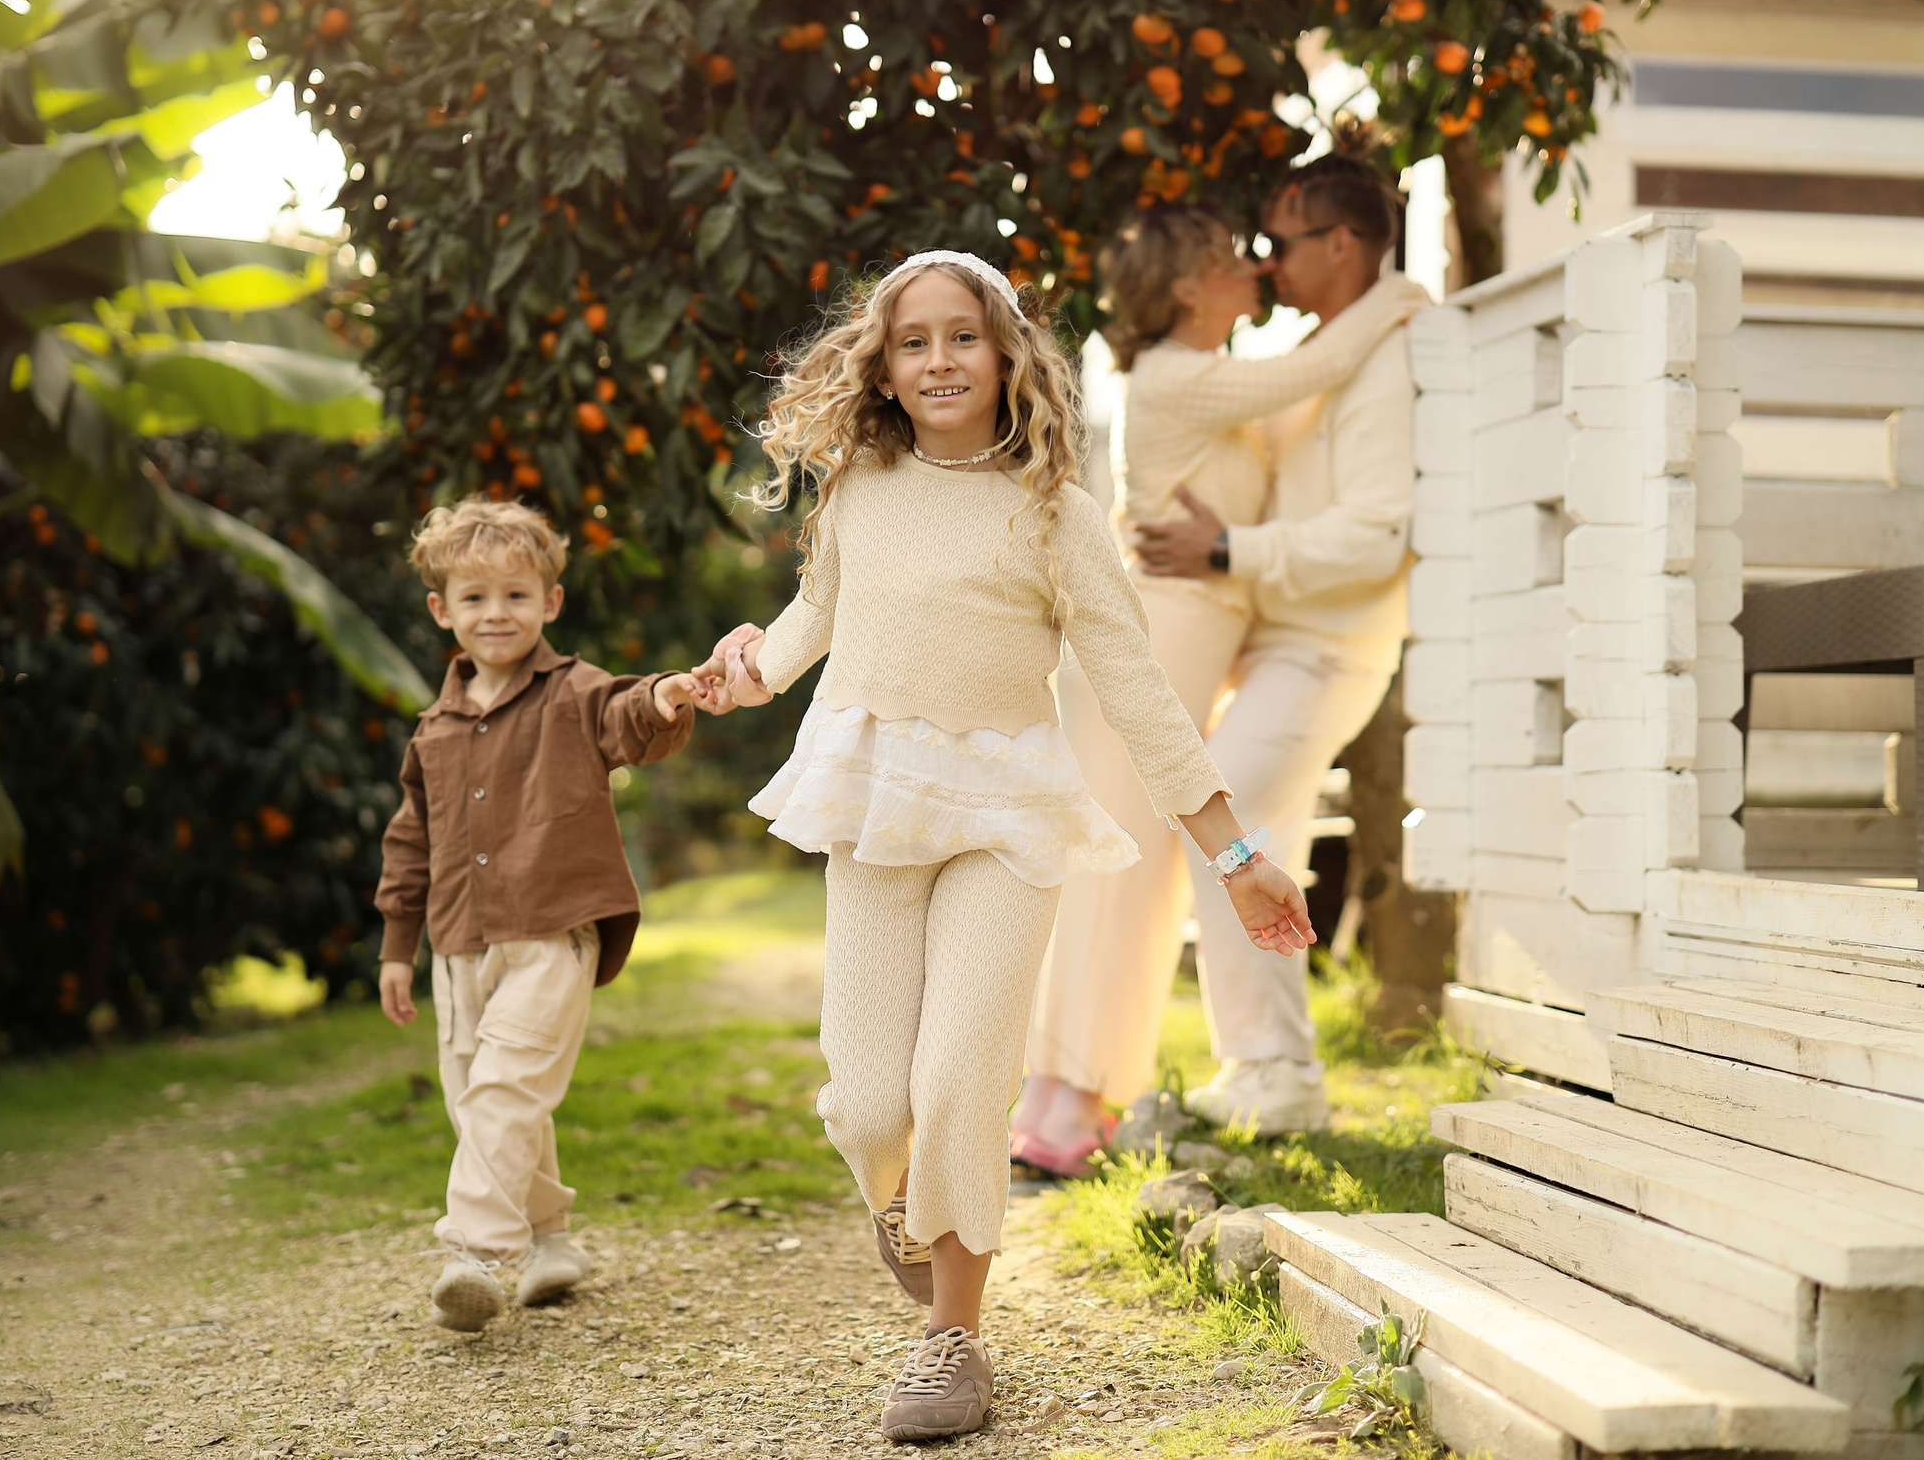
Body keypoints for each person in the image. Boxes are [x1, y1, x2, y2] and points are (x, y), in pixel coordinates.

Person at [693, 250, 1313, 1443]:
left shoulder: (1056, 512)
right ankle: (903, 1199)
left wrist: (1237, 861)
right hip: (876, 804)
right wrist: (743, 672)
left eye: (961, 336)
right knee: (867, 1105)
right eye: (912, 341)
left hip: (1005, 816)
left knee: (958, 1082)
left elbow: (1137, 692)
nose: (938, 360)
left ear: (1005, 353)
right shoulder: (859, 490)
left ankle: (952, 1338)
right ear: (884, 366)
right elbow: (815, 617)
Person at [1010, 204, 1412, 1175]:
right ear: (1188, 287)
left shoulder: (1205, 377)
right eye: (1233, 258)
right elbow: (1318, 366)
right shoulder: (1178, 375)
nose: (1257, 268)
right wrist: (1400, 292)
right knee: (1121, 863)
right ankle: (1064, 1108)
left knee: (1131, 861)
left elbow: (1301, 394)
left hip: (1186, 633)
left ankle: (1068, 1099)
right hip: (1161, 634)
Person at [1130, 154, 1430, 1137]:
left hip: (1331, 648)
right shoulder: (1323, 352)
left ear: (1339, 243)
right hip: (1278, 645)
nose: (1265, 263)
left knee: (1229, 822)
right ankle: (1274, 1070)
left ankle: (1271, 1069)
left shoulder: (1385, 362)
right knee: (1256, 836)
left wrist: (1226, 549)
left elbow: (1377, 537)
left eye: (1279, 242)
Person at [372, 497, 715, 1332]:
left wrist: (666, 695)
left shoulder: (574, 691)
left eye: (516, 595)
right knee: (484, 1099)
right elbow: (410, 840)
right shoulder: (433, 731)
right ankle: (552, 1240)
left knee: (505, 1087)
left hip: (554, 931)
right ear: (442, 610)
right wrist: (396, 946)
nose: (497, 613)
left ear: (550, 602)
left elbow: (628, 716)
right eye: (475, 597)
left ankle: (475, 1253)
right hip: (459, 941)